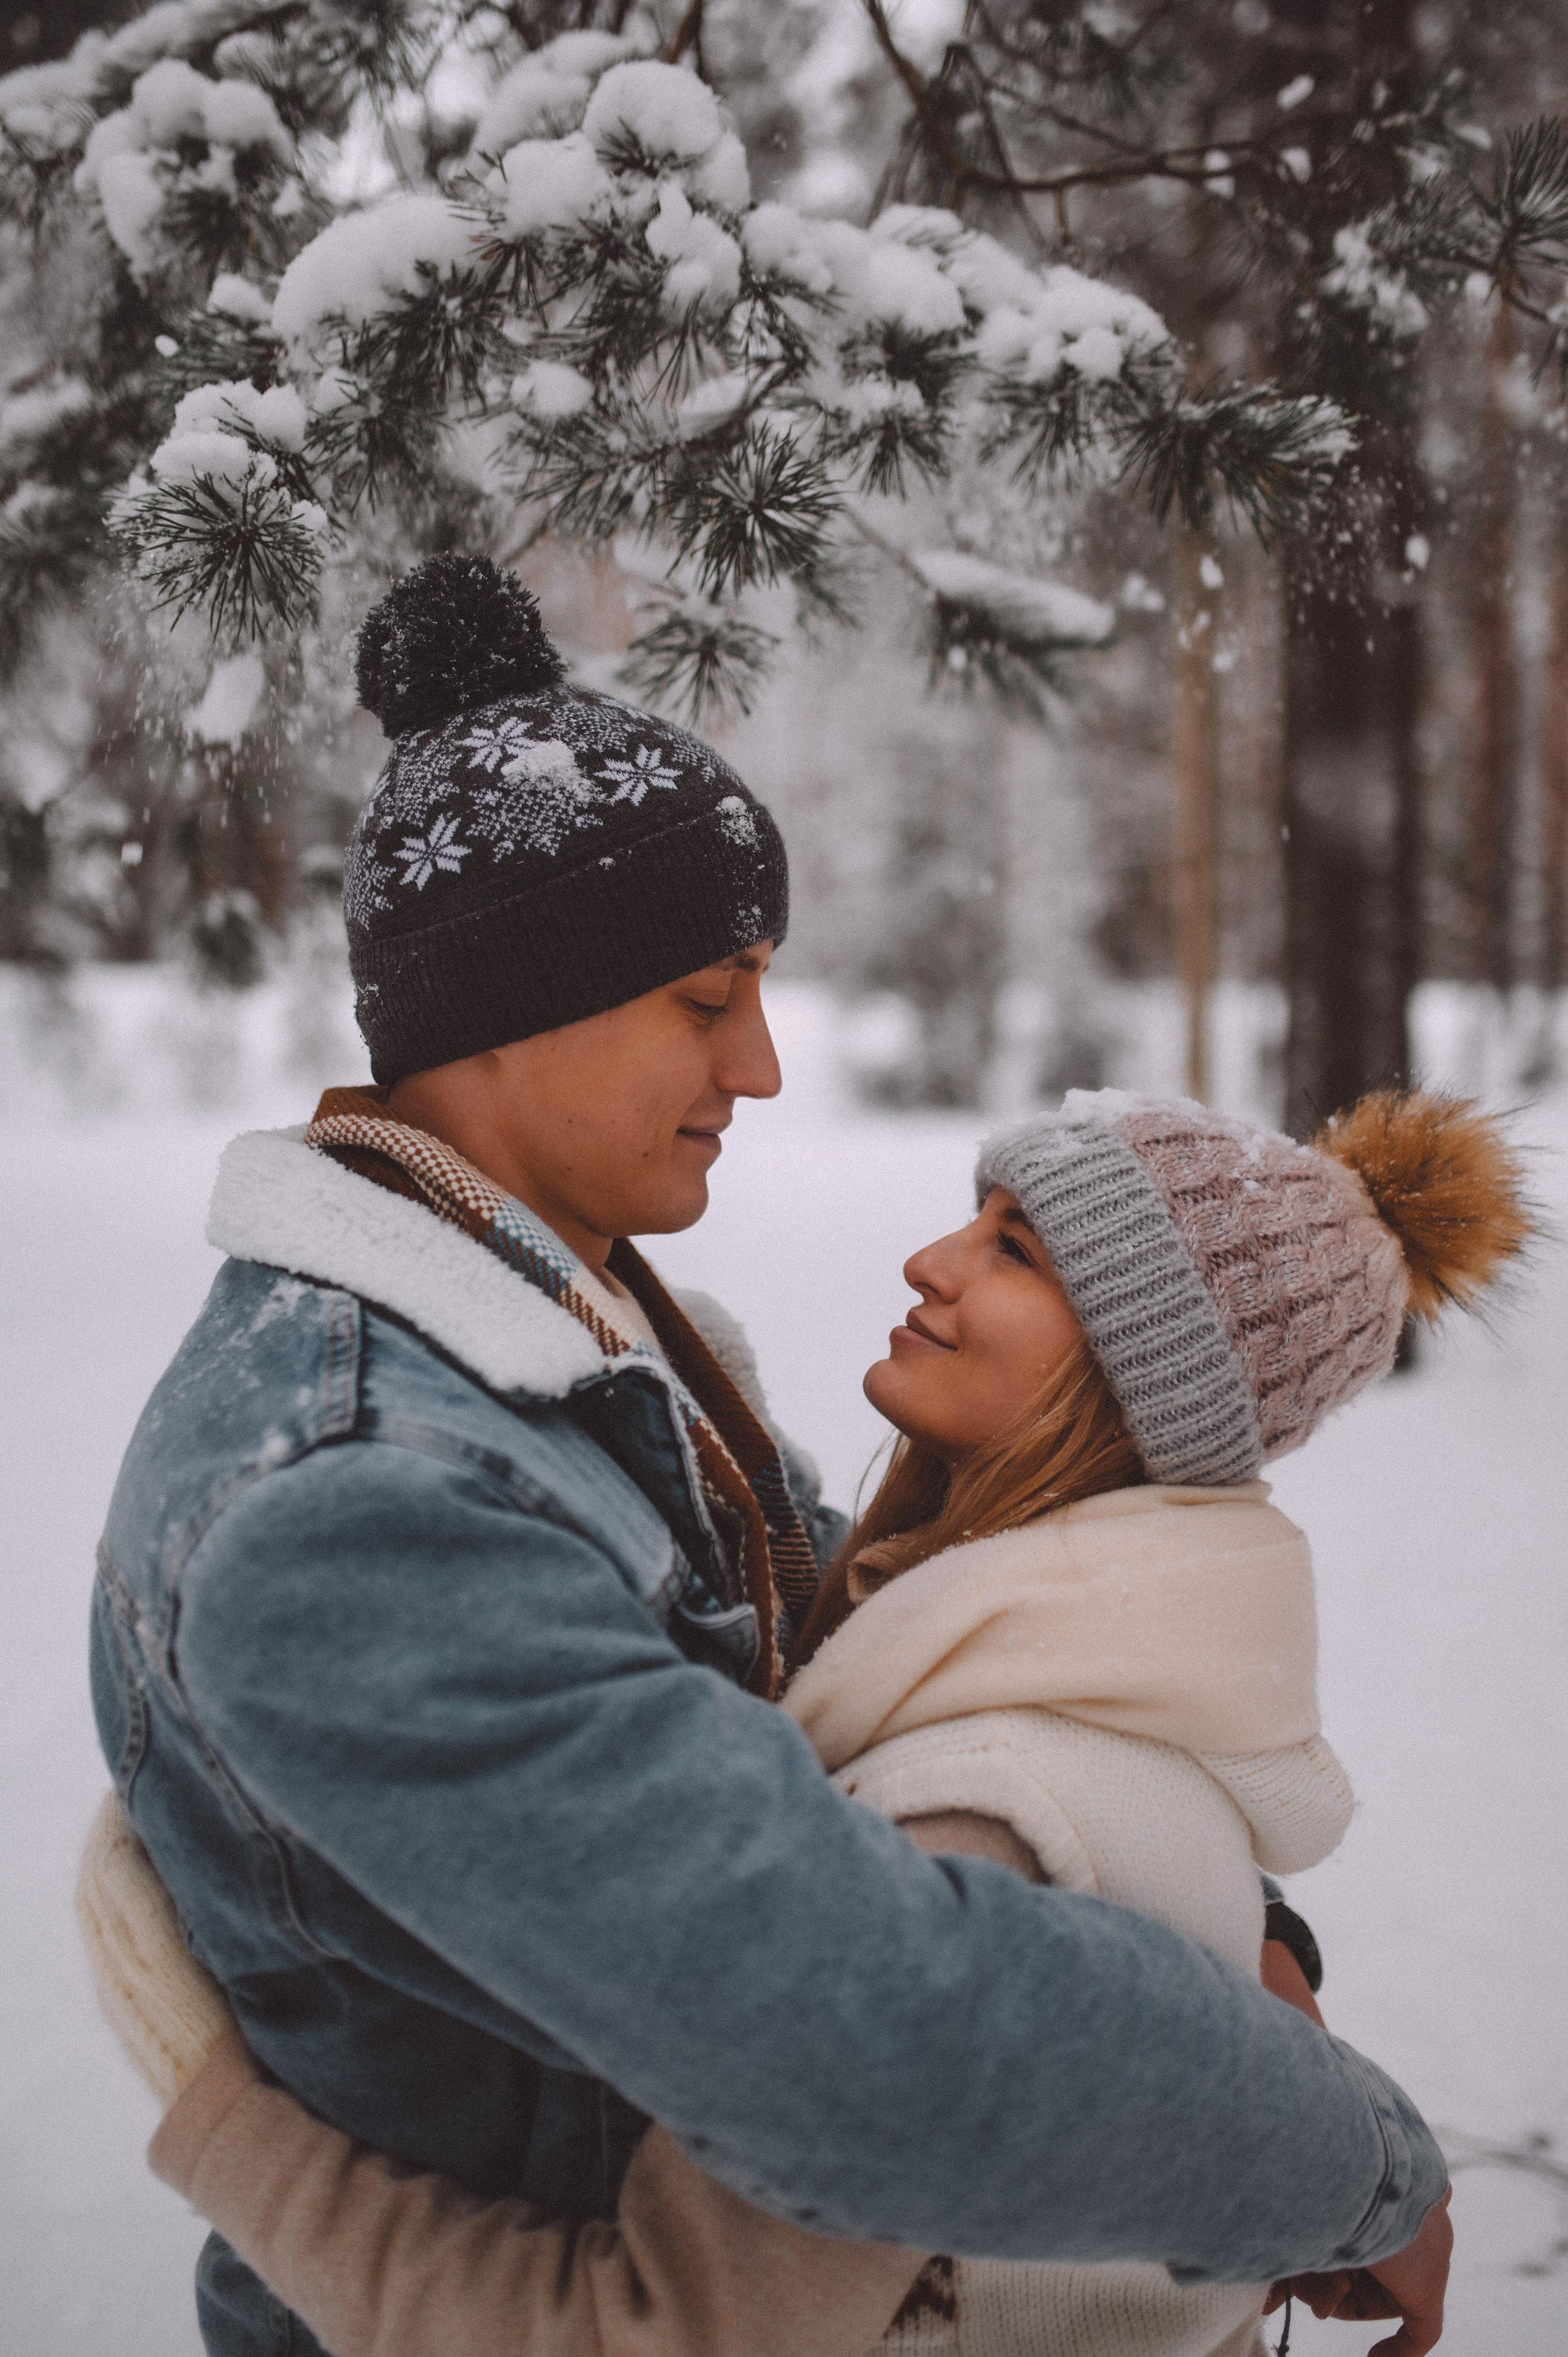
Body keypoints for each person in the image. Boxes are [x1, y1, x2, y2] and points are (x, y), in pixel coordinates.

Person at [83, 554, 1451, 2357]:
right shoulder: (358, 1507)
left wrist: (1243, 1936)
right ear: (516, 996)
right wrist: (1344, 2161)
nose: (764, 1066)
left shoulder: (573, 1350)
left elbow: (894, 1656)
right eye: (706, 999)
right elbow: (869, 2039)